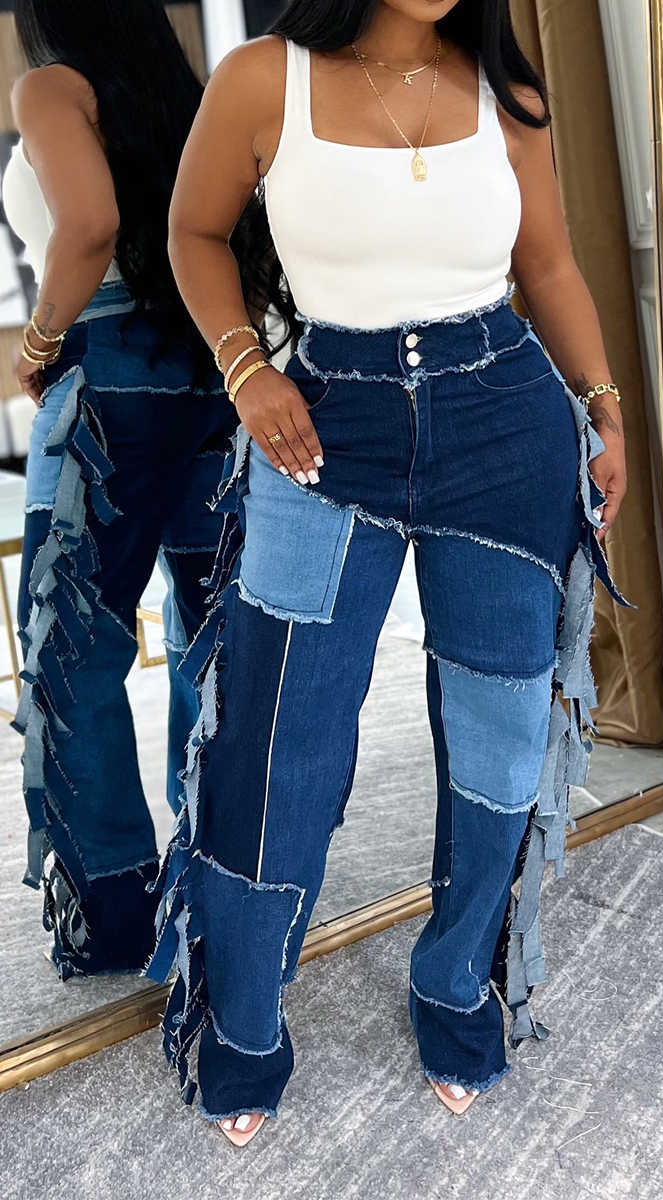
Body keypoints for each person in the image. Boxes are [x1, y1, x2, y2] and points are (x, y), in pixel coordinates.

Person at [147, 0, 627, 1144]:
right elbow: (192, 232)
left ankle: (456, 994)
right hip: (320, 429)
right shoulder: (264, 78)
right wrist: (245, 369)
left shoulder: (506, 89)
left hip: (503, 424)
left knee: (499, 742)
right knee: (276, 742)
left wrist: (604, 406)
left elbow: (547, 263)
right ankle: (242, 1030)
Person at [6, 0, 265, 980]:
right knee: (213, 636)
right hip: (206, 377)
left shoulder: (48, 88)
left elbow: (89, 224)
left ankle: (116, 916)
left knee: (69, 651)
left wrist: (38, 340)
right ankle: (219, 876)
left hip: (108, 383)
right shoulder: (178, 95)